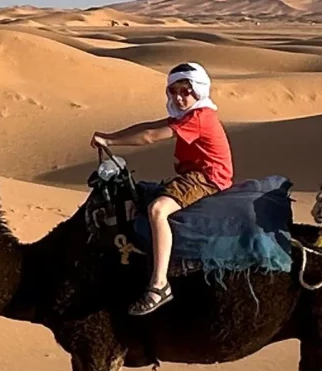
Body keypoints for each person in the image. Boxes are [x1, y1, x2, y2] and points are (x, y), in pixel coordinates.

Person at [91, 63, 235, 318]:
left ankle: (159, 284)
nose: (179, 97)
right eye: (174, 91)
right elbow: (148, 126)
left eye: (185, 91)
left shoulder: (199, 116)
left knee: (158, 210)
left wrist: (111, 141)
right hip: (193, 175)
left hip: (208, 179)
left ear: (199, 91)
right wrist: (109, 135)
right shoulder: (186, 115)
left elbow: (150, 137)